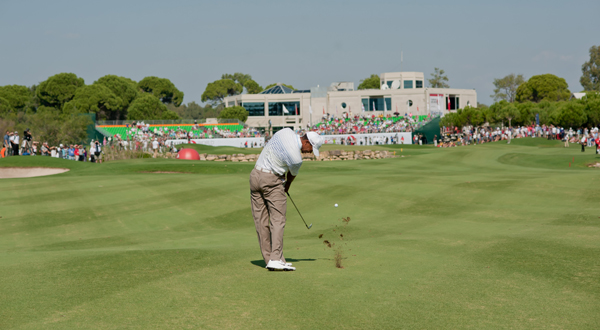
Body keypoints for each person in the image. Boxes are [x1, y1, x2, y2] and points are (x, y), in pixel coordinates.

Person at [250, 129, 323, 271]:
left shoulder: (285, 131)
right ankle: (275, 259)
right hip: (270, 181)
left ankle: (270, 259)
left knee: (261, 221)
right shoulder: (297, 159)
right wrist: (286, 186)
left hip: (255, 176)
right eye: (311, 148)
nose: (309, 152)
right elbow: (289, 179)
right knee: (278, 220)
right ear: (306, 142)